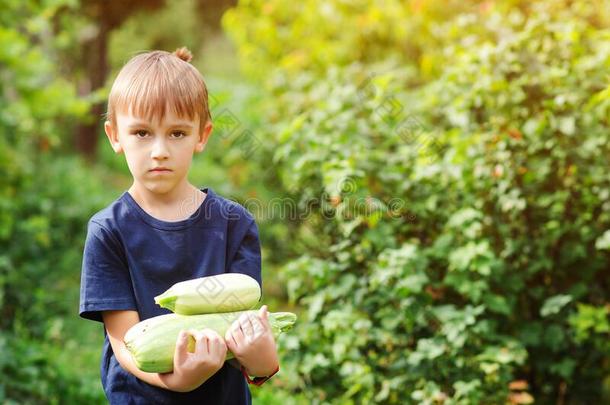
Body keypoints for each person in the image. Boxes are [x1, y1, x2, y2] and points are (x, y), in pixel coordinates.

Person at [79, 47, 279, 404]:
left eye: (176, 133)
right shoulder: (108, 231)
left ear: (201, 136)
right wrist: (177, 382)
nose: (159, 150)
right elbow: (125, 345)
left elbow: (245, 339)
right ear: (114, 136)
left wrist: (263, 361)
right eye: (141, 133)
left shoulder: (234, 224)